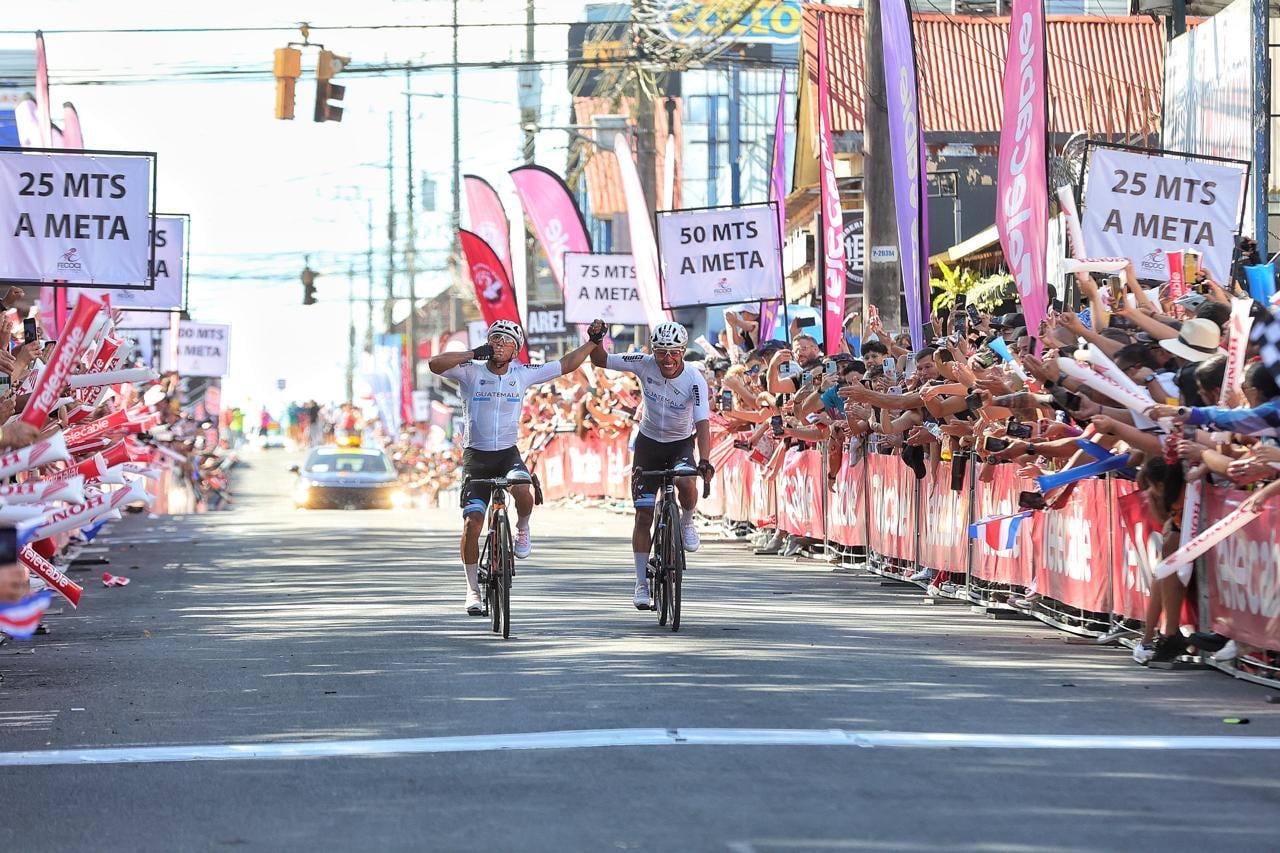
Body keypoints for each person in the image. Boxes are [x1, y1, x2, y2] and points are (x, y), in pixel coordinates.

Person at [429, 318, 604, 615]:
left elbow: (565, 365)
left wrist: (593, 342)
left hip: (508, 453)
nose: (499, 344)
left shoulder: (522, 374)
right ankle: (472, 590)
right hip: (477, 457)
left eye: (506, 341)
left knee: (524, 490)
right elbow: (435, 363)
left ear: (516, 350)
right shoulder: (470, 372)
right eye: (495, 339)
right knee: (473, 524)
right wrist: (473, 353)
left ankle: (522, 527)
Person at [590, 321, 714, 609]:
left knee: (686, 481)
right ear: (653, 351)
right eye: (661, 352)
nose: (667, 359)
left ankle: (686, 520)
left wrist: (705, 458)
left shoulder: (695, 380)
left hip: (681, 443)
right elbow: (599, 359)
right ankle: (641, 583)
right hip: (648, 445)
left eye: (673, 352)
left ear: (683, 352)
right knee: (643, 515)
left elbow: (703, 422)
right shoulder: (643, 364)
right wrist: (596, 338)